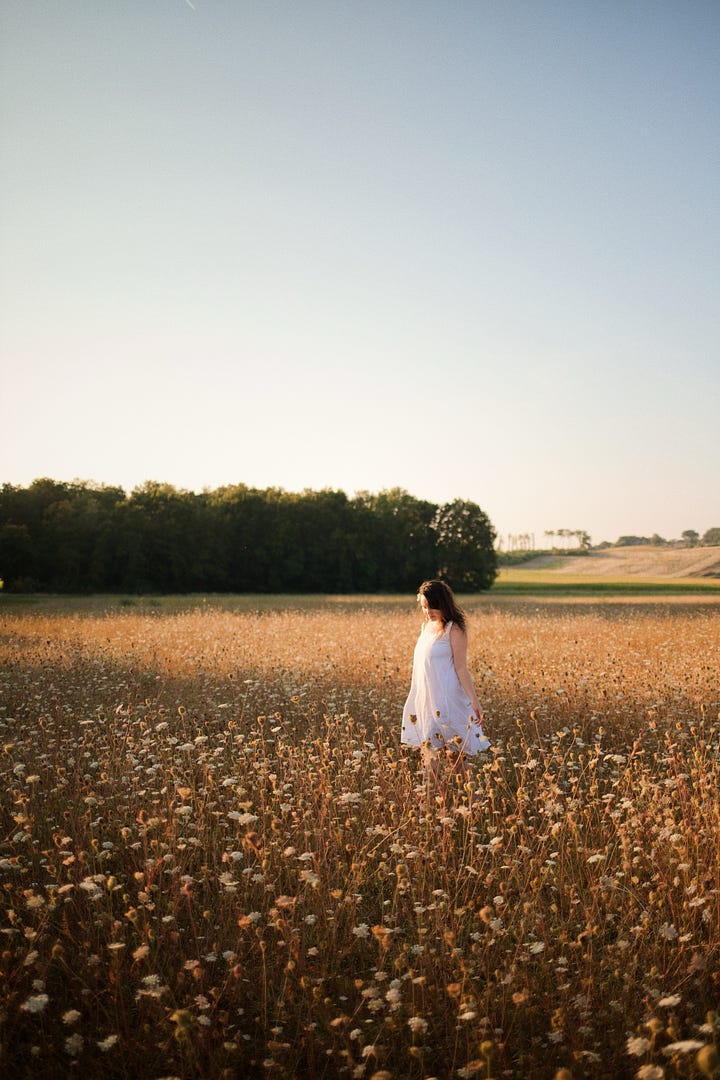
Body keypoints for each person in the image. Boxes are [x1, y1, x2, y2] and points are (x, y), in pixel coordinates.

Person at [401, 579, 489, 794]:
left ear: (443, 603)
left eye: (432, 606)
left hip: (448, 699)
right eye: (424, 607)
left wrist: (474, 701)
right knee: (428, 753)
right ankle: (433, 803)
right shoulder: (426, 627)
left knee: (455, 756)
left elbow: (461, 669)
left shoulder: (454, 629)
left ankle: (471, 802)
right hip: (426, 699)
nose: (428, 612)